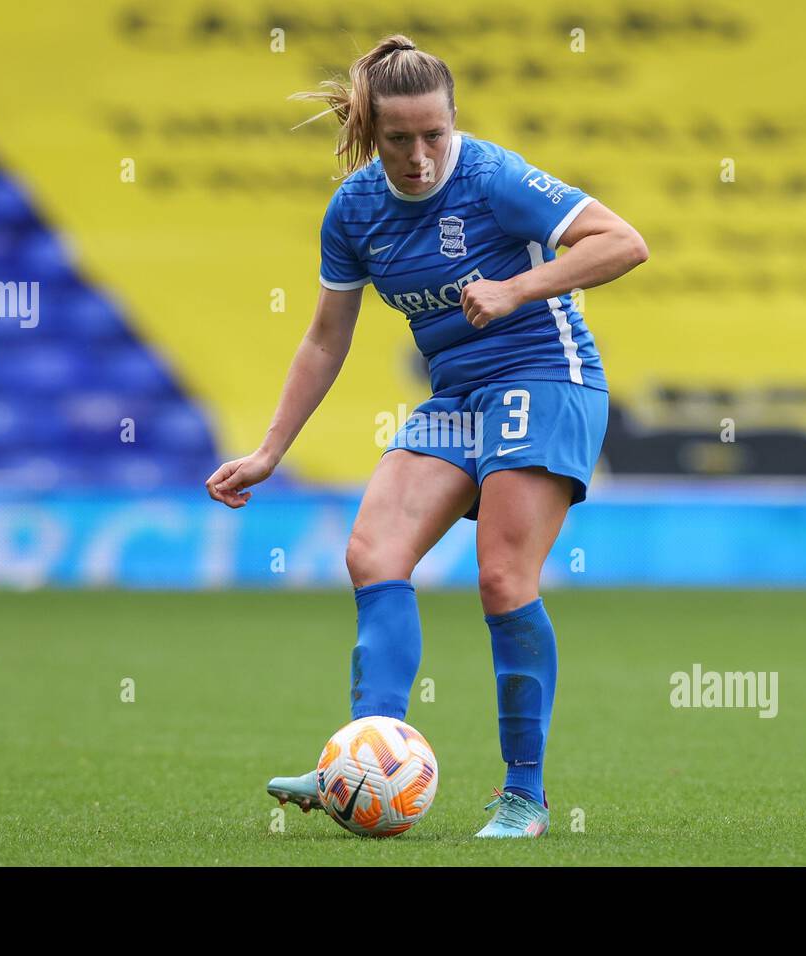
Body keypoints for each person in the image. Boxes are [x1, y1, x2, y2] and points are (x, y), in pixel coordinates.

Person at [205, 34, 648, 838]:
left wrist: (517, 286)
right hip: (458, 396)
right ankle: (361, 754)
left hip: (546, 377)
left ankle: (524, 796)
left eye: (433, 135)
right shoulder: (354, 211)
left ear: (454, 122)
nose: (418, 156)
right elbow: (324, 340)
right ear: (372, 132)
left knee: (501, 578)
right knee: (372, 554)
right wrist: (270, 450)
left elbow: (623, 242)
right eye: (398, 139)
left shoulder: (493, 177)